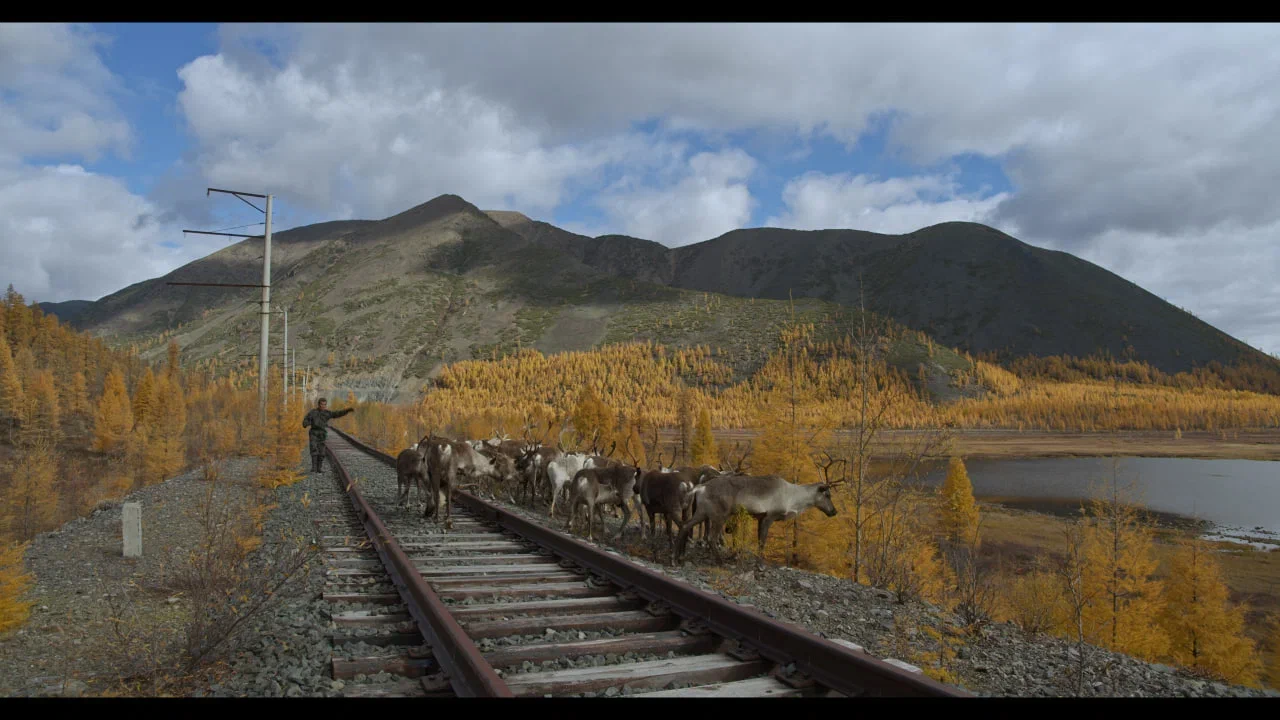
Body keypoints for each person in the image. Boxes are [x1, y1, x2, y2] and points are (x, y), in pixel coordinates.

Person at [302, 397, 354, 473]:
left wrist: (347, 411)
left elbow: (337, 413)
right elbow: (306, 419)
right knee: (313, 449)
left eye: (324, 405)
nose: (323, 406)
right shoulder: (313, 412)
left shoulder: (327, 413)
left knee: (322, 452)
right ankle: (314, 468)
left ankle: (319, 468)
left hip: (322, 434)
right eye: (322, 404)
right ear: (318, 404)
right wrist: (305, 423)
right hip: (314, 432)